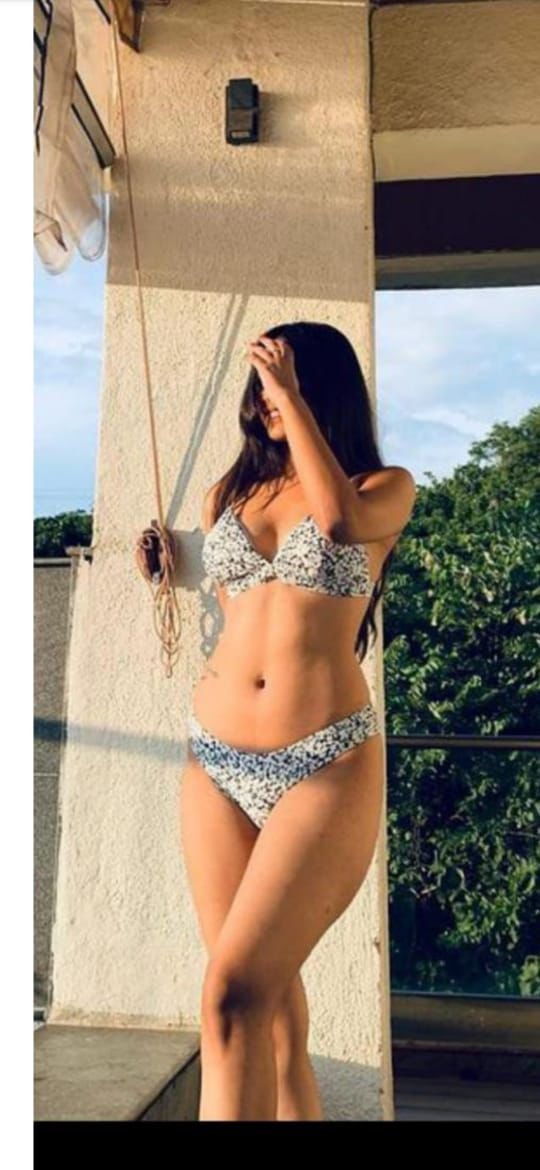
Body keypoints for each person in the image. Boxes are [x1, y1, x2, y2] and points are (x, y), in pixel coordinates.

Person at [178, 321, 417, 1121]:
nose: (265, 400)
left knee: (232, 995)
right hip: (215, 762)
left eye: (280, 381)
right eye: (259, 386)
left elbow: (339, 522)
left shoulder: (384, 487)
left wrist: (290, 395)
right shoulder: (231, 494)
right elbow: (244, 609)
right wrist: (165, 561)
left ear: (320, 389)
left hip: (325, 763)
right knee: (270, 1015)